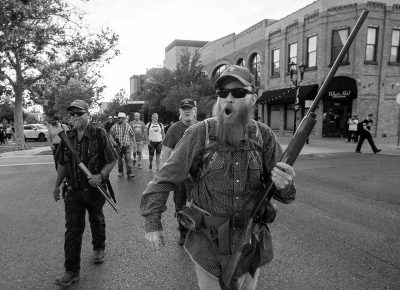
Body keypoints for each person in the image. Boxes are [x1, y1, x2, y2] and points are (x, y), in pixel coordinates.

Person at [140, 65, 296, 290]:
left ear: (253, 98)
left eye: (238, 93)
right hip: (208, 243)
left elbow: (286, 195)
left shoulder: (264, 136)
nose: (229, 99)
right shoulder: (199, 133)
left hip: (251, 241)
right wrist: (152, 222)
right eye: (223, 93)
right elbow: (164, 178)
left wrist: (285, 183)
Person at [52, 99, 117, 287]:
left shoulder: (99, 134)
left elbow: (112, 159)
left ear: (88, 114)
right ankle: (71, 271)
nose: (75, 117)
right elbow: (63, 164)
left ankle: (99, 247)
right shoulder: (67, 137)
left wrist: (101, 176)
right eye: (72, 114)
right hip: (73, 191)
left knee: (97, 219)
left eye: (79, 113)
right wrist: (56, 186)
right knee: (72, 230)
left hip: (95, 190)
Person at [161, 99, 198, 245]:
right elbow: (166, 152)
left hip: (200, 175)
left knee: (201, 203)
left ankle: (199, 231)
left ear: (195, 111)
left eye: (190, 108)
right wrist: (166, 174)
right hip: (181, 176)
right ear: (180, 112)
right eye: (184, 109)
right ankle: (183, 231)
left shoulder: (203, 126)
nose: (187, 111)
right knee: (180, 203)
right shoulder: (174, 129)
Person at [110, 112, 136, 179]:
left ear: (123, 119)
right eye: (118, 118)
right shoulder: (115, 126)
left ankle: (130, 173)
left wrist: (134, 144)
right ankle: (120, 171)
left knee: (128, 159)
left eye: (119, 118)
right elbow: (110, 135)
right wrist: (113, 142)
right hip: (118, 146)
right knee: (119, 159)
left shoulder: (128, 126)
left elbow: (132, 135)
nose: (118, 119)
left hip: (127, 146)